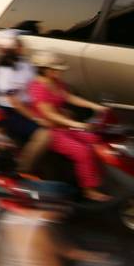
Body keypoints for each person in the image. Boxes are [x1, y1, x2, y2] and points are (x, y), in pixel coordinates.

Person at [24, 51, 110, 200]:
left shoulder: (56, 82)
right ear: (45, 69)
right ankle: (89, 191)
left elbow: (68, 97)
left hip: (64, 126)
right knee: (83, 152)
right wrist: (76, 124)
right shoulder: (37, 87)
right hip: (51, 132)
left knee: (95, 140)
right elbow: (50, 114)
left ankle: (96, 175)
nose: (60, 71)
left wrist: (95, 107)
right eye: (56, 69)